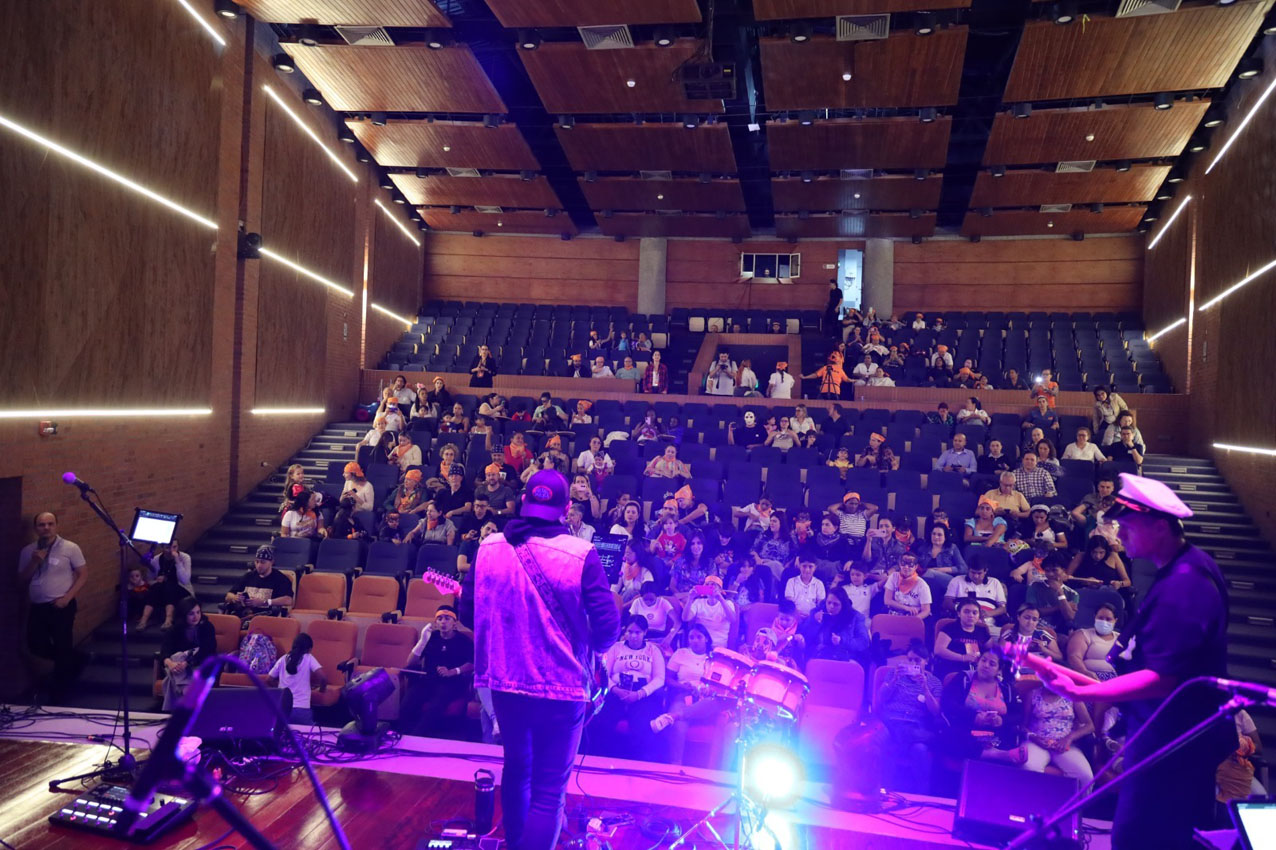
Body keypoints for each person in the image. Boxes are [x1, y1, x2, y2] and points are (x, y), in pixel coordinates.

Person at [467, 469, 621, 850]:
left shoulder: (489, 547)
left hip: (506, 682)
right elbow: (607, 627)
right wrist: (589, 649)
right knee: (549, 790)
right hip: (561, 686)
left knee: (517, 770)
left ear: (523, 502)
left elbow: (469, 608)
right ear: (567, 509)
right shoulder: (580, 553)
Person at [939, 648, 1025, 768]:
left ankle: (991, 753)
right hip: (966, 730)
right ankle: (997, 755)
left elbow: (1019, 715)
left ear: (999, 670)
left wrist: (1001, 720)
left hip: (996, 734)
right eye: (983, 661)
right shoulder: (963, 679)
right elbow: (947, 704)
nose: (986, 665)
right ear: (978, 662)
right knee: (950, 738)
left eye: (992, 664)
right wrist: (973, 717)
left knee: (1011, 740)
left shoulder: (1007, 689)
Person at [878, 640, 944, 792]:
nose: (913, 663)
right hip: (891, 721)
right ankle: (884, 790)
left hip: (915, 724)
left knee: (920, 750)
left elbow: (935, 711)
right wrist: (894, 680)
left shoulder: (934, 682)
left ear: (926, 662)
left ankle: (922, 794)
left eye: (917, 660)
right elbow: (881, 698)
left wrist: (925, 688)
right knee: (898, 734)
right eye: (910, 659)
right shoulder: (894, 674)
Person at [400, 604, 474, 738]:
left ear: (454, 623)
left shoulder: (464, 640)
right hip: (428, 680)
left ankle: (416, 738)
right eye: (439, 619)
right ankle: (403, 735)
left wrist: (454, 671)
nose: (443, 622)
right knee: (407, 702)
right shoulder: (431, 637)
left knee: (435, 707)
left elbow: (472, 663)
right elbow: (410, 663)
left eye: (447, 619)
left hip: (452, 683)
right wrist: (422, 641)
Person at [596, 616, 666, 757]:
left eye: (638, 632)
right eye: (630, 631)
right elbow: (604, 674)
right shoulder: (615, 648)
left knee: (642, 725)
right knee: (602, 720)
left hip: (642, 693)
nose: (633, 636)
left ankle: (636, 762)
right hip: (616, 690)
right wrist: (615, 689)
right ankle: (604, 758)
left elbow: (660, 678)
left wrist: (640, 693)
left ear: (645, 632)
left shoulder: (653, 650)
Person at [1022, 683, 1095, 782]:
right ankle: (1035, 797)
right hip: (1037, 743)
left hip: (1064, 746)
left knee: (1085, 776)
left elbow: (1089, 725)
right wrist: (1034, 737)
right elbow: (1022, 726)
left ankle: (1076, 798)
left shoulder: (1072, 696)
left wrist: (1069, 738)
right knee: (1029, 767)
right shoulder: (1033, 694)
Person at [158, 597, 217, 710]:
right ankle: (187, 695)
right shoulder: (174, 629)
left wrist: (186, 663)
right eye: (191, 614)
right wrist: (170, 663)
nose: (196, 617)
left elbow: (207, 650)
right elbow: (165, 650)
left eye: (198, 612)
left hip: (201, 662)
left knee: (172, 676)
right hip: (178, 667)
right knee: (176, 657)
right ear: (183, 614)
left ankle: (176, 706)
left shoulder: (207, 627)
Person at [794, 586, 869, 665]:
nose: (831, 606)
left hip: (846, 657)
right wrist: (814, 623)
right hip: (820, 656)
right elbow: (804, 635)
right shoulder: (817, 613)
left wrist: (842, 641)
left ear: (843, 605)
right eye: (829, 603)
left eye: (835, 604)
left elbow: (863, 642)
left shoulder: (855, 617)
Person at [268, 633, 327, 725]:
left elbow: (269, 679)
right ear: (309, 649)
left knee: (283, 735)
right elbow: (323, 678)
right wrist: (321, 690)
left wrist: (278, 688)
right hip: (301, 710)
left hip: (282, 710)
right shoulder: (308, 658)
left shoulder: (283, 659)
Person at [137, 541, 194, 630]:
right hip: (161, 590)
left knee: (169, 586)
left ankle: (168, 619)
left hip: (182, 589)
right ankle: (143, 620)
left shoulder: (185, 558)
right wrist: (156, 580)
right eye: (168, 548)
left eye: (174, 547)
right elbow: (149, 580)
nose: (171, 550)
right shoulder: (156, 559)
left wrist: (178, 561)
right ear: (162, 548)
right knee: (156, 587)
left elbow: (185, 580)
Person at [224, 545, 295, 617]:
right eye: (257, 562)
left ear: (271, 562)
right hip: (244, 615)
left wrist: (265, 602)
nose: (259, 565)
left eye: (263, 562)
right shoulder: (248, 576)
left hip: (265, 618)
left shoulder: (280, 578)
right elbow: (228, 596)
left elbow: (288, 600)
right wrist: (235, 598)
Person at [682, 575, 738, 651]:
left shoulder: (728, 603)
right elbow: (685, 618)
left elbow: (732, 619)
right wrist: (690, 599)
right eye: (707, 585)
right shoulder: (698, 602)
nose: (709, 587)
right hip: (700, 646)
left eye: (713, 585)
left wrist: (721, 599)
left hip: (718, 646)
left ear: (720, 589)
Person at [944, 561, 1007, 627]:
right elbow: (946, 603)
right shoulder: (957, 580)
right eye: (973, 573)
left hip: (987, 624)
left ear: (985, 571)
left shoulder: (994, 582)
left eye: (979, 573)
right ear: (968, 570)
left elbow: (1003, 609)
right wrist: (963, 609)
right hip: (961, 623)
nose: (976, 576)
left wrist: (989, 613)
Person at [1025, 558, 1079, 634]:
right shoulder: (1034, 586)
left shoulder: (1073, 593)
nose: (1050, 574)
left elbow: (1070, 617)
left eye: (1054, 570)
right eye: (1047, 571)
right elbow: (1032, 611)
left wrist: (1060, 593)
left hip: (1058, 631)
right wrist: (1061, 607)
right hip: (1035, 627)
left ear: (1063, 570)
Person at [913, 523, 966, 598]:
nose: (936, 537)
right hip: (926, 579)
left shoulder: (952, 548)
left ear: (945, 536)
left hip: (947, 580)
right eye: (933, 534)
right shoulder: (924, 547)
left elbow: (964, 568)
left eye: (939, 535)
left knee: (929, 573)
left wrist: (942, 570)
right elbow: (915, 563)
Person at [884, 554, 932, 620]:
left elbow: (926, 611)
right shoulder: (893, 577)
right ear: (899, 564)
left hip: (913, 616)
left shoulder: (922, 585)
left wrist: (912, 620)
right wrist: (907, 608)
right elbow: (887, 600)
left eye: (910, 565)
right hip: (894, 615)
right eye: (903, 563)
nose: (906, 567)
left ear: (916, 567)